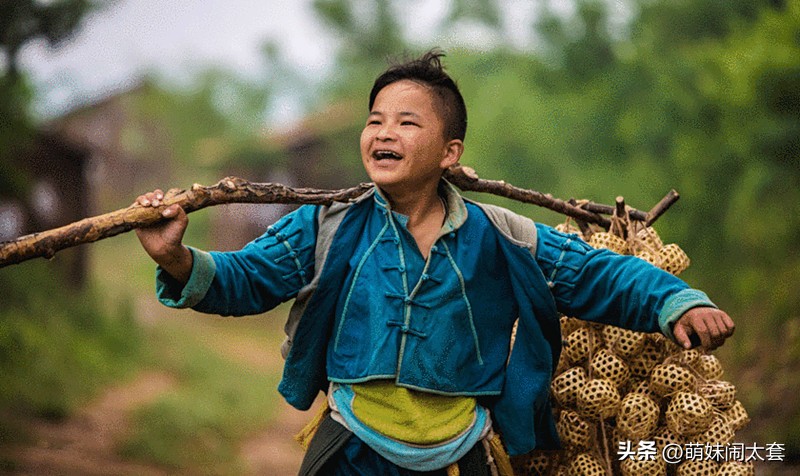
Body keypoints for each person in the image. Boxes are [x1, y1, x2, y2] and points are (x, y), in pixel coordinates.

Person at [134, 49, 735, 475]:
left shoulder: (503, 236)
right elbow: (247, 278)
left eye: (406, 122)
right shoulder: (328, 226)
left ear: (451, 153)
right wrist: (179, 259)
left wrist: (676, 301)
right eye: (375, 121)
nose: (383, 132)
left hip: (460, 456)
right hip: (351, 451)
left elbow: (595, 272)